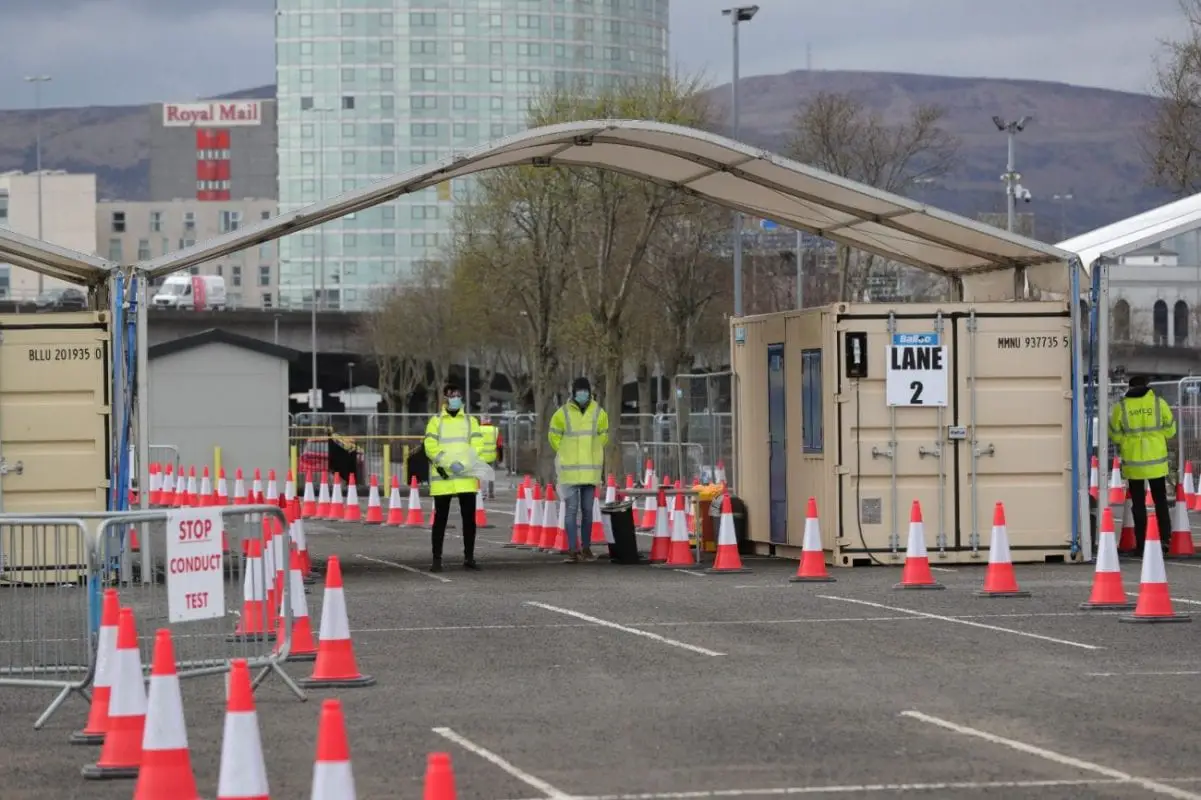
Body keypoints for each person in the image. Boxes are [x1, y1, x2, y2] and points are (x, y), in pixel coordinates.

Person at [1109, 375, 1176, 556]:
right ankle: (1165, 540)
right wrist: (1155, 436)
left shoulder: (1120, 407)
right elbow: (1171, 430)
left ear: (1129, 387)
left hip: (1133, 462)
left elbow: (1115, 435)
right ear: (1147, 386)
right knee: (1160, 501)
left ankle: (1141, 545)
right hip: (1156, 461)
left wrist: (1129, 440)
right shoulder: (1158, 403)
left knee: (1138, 503)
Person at [423, 382, 485, 572]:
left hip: (465, 477)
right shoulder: (436, 421)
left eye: (458, 395)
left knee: (469, 521)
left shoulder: (470, 421)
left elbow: (477, 445)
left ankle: (469, 557)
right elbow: (430, 446)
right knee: (440, 520)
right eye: (452, 395)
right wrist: (448, 464)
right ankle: (436, 559)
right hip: (444, 479)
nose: (456, 398)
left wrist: (464, 464)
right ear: (445, 397)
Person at [548, 377, 610, 563]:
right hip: (570, 472)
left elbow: (603, 435)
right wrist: (566, 453)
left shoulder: (599, 412)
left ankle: (586, 547)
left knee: (588, 512)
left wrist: (594, 450)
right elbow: (553, 437)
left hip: (590, 472)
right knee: (571, 511)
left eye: (585, 391)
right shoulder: (562, 413)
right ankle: (573, 549)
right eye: (579, 391)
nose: (583, 394)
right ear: (573, 393)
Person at [479, 415, 499, 500]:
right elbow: (499, 443)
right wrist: (500, 456)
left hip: (481, 456)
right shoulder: (495, 430)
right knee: (491, 475)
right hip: (491, 455)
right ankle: (491, 493)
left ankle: (483, 494)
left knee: (483, 476)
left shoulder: (478, 429)